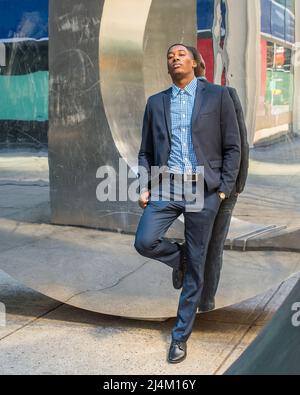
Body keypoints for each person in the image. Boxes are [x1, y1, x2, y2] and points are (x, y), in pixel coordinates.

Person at [134, 44, 241, 363]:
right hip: (167, 187)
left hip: (204, 189)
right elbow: (145, 152)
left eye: (181, 54)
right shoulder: (156, 103)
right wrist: (144, 185)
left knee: (198, 266)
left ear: (195, 62)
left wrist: (222, 190)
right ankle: (179, 258)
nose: (174, 58)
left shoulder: (218, 96)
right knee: (145, 241)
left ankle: (180, 337)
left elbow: (233, 146)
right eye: (169, 56)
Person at [185, 47, 249, 313]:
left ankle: (206, 300)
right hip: (194, 184)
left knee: (210, 243)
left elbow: (237, 143)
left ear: (198, 66)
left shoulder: (223, 94)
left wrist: (230, 187)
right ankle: (200, 297)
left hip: (220, 185)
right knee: (203, 242)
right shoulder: (173, 101)